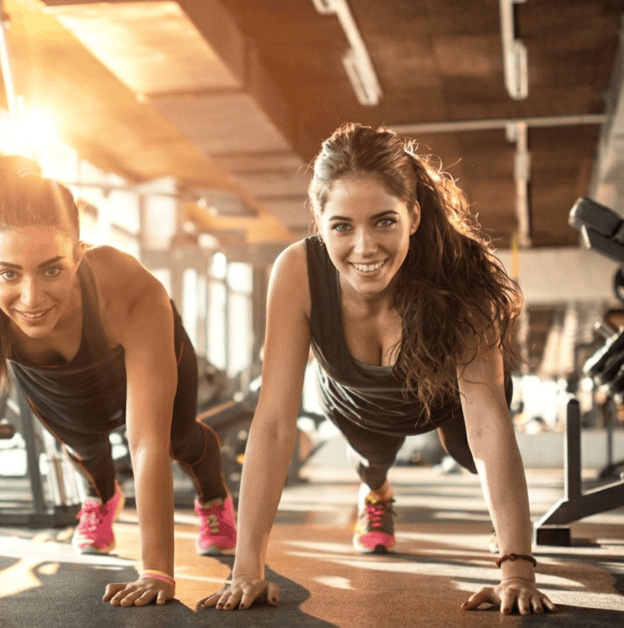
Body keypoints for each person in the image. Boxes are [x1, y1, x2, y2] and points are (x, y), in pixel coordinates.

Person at [199, 124, 556, 615]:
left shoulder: (463, 276)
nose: (364, 247)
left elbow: (489, 424)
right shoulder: (297, 273)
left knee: (473, 456)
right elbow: (275, 425)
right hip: (355, 402)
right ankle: (376, 494)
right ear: (320, 223)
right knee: (372, 460)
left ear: (412, 214)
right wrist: (246, 571)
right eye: (342, 226)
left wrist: (516, 567)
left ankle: (498, 530)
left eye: (383, 221)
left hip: (449, 399)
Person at [0, 155, 236, 606]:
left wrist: (156, 572)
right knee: (85, 446)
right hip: (60, 377)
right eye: (9, 274)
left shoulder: (127, 286)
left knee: (176, 438)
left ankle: (213, 498)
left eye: (52, 269)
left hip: (142, 352)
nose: (32, 298)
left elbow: (145, 442)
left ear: (79, 252)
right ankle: (100, 500)